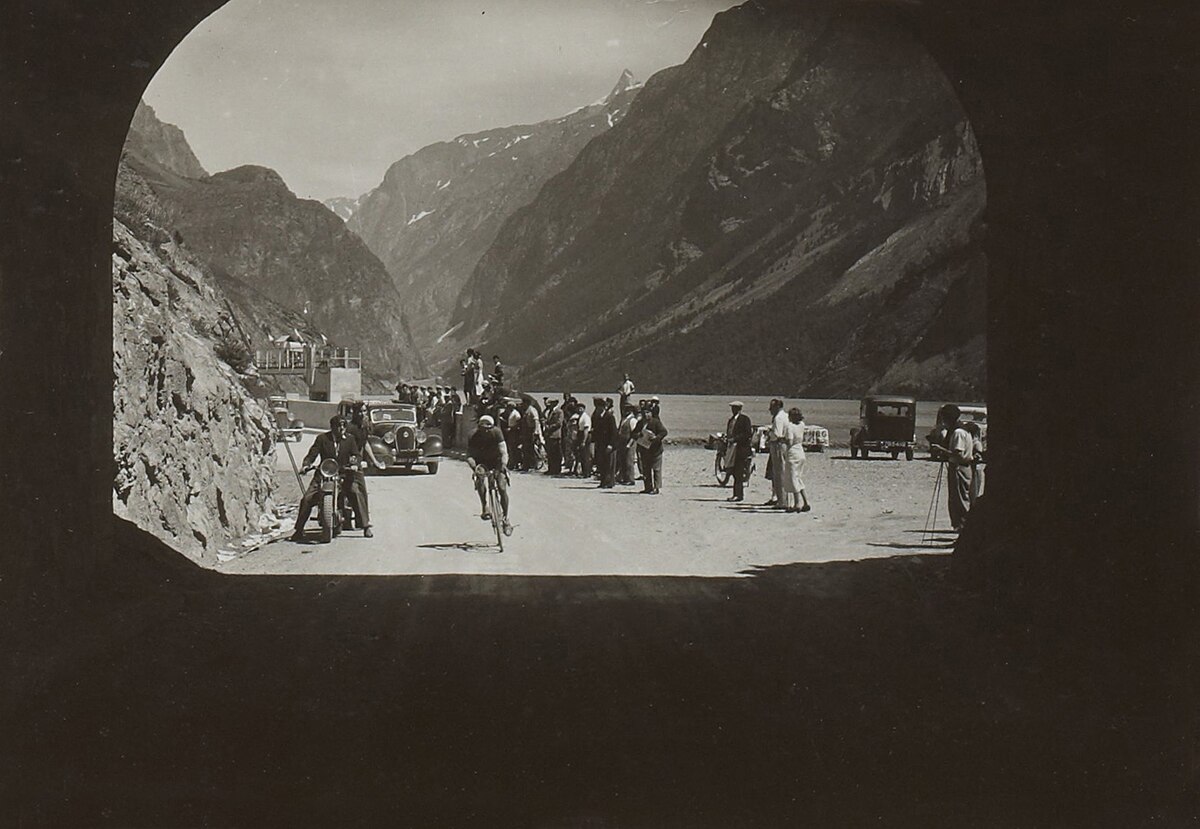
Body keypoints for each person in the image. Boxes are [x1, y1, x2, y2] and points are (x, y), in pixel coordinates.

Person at [291, 415, 373, 540]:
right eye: (339, 425)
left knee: (356, 493)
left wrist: (355, 464)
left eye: (344, 425)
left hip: (344, 474)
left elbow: (356, 455)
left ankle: (365, 526)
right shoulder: (322, 438)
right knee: (307, 498)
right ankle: (299, 529)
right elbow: (312, 454)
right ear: (332, 427)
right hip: (324, 474)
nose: (342, 428)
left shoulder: (350, 439)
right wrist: (306, 465)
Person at [466, 414, 511, 535]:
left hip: (496, 461)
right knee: (479, 479)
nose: (485, 431)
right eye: (483, 429)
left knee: (502, 487)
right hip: (481, 462)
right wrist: (475, 468)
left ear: (492, 427)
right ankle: (485, 506)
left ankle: (506, 518)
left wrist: (503, 465)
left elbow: (504, 451)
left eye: (488, 429)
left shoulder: (497, 433)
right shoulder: (473, 435)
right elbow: (469, 455)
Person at [930, 405, 973, 530]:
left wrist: (940, 449)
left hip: (959, 468)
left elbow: (958, 454)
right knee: (956, 499)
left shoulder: (958, 432)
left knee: (960, 500)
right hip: (960, 467)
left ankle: (964, 527)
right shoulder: (962, 430)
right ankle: (960, 527)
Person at [781, 407, 811, 513]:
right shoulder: (802, 424)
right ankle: (806, 502)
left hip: (792, 453)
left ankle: (797, 503)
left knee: (793, 478)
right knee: (798, 477)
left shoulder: (790, 426)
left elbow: (789, 441)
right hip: (800, 451)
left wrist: (782, 440)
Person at [636, 398, 668, 494]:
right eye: (644, 413)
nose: (646, 415)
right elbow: (633, 433)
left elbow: (664, 432)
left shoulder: (655, 422)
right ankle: (648, 487)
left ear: (651, 413)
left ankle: (656, 488)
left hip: (656, 449)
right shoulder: (640, 423)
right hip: (644, 449)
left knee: (656, 469)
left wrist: (656, 437)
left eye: (648, 413)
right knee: (646, 469)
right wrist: (638, 435)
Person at [723, 401, 754, 502]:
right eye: (732, 408)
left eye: (735, 408)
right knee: (733, 471)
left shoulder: (744, 419)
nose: (733, 410)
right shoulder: (731, 420)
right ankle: (736, 494)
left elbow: (747, 434)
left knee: (738, 472)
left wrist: (735, 439)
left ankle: (738, 494)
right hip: (732, 449)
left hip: (741, 449)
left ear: (739, 408)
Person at [765, 398, 788, 508]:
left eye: (772, 407)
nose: (770, 409)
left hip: (777, 445)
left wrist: (769, 434)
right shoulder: (786, 416)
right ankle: (783, 499)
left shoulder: (778, 418)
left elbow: (777, 434)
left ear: (777, 407)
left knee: (778, 474)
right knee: (782, 472)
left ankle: (781, 501)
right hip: (784, 445)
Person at [594, 397, 618, 488]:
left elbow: (613, 432)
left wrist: (611, 444)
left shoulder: (609, 417)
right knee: (602, 463)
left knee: (609, 464)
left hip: (608, 444)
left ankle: (609, 482)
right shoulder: (598, 417)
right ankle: (603, 481)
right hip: (601, 444)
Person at [616, 404, 638, 485]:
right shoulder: (623, 419)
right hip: (622, 443)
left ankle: (630, 479)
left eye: (626, 410)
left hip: (629, 443)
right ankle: (624, 478)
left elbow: (635, 434)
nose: (624, 411)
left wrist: (629, 444)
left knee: (629, 461)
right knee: (623, 460)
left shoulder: (633, 420)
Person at [543, 399, 563, 475]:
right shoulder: (550, 412)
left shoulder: (559, 411)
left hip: (555, 435)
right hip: (549, 435)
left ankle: (556, 469)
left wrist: (549, 427)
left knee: (556, 453)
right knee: (550, 453)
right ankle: (551, 468)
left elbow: (559, 423)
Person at [576, 400, 594, 478]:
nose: (579, 410)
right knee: (582, 455)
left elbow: (586, 429)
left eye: (581, 408)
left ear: (584, 409)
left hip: (585, 435)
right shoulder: (580, 417)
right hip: (580, 434)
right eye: (578, 408)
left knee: (586, 455)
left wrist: (584, 440)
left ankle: (587, 472)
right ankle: (584, 472)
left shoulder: (586, 417)